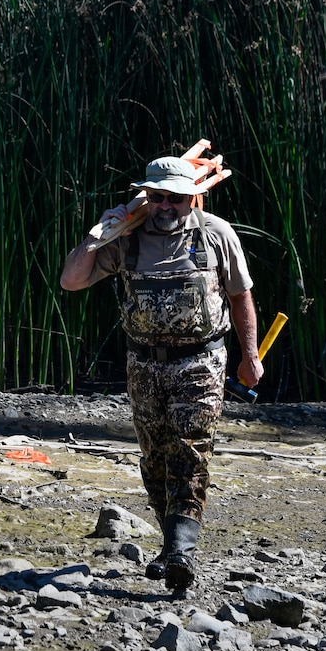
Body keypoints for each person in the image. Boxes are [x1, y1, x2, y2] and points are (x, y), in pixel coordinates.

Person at [58, 154, 261, 595]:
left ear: (192, 198)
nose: (166, 206)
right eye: (157, 197)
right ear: (146, 196)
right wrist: (96, 236)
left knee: (190, 450)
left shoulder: (215, 234)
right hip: (143, 363)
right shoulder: (125, 238)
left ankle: (181, 552)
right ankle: (171, 546)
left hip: (201, 360)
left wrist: (251, 355)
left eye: (175, 198)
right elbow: (72, 282)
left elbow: (241, 296)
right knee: (154, 458)